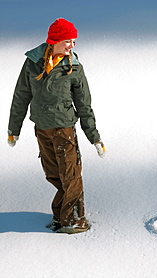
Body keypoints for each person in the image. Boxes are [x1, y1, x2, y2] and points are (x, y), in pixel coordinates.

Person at [7, 18, 106, 234]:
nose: (72, 45)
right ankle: (60, 216)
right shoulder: (33, 62)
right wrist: (13, 130)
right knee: (53, 174)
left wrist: (94, 137)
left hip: (64, 129)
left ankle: (74, 220)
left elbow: (84, 104)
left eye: (73, 41)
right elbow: (21, 96)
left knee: (71, 174)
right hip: (42, 129)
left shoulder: (74, 67)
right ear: (54, 40)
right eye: (68, 41)